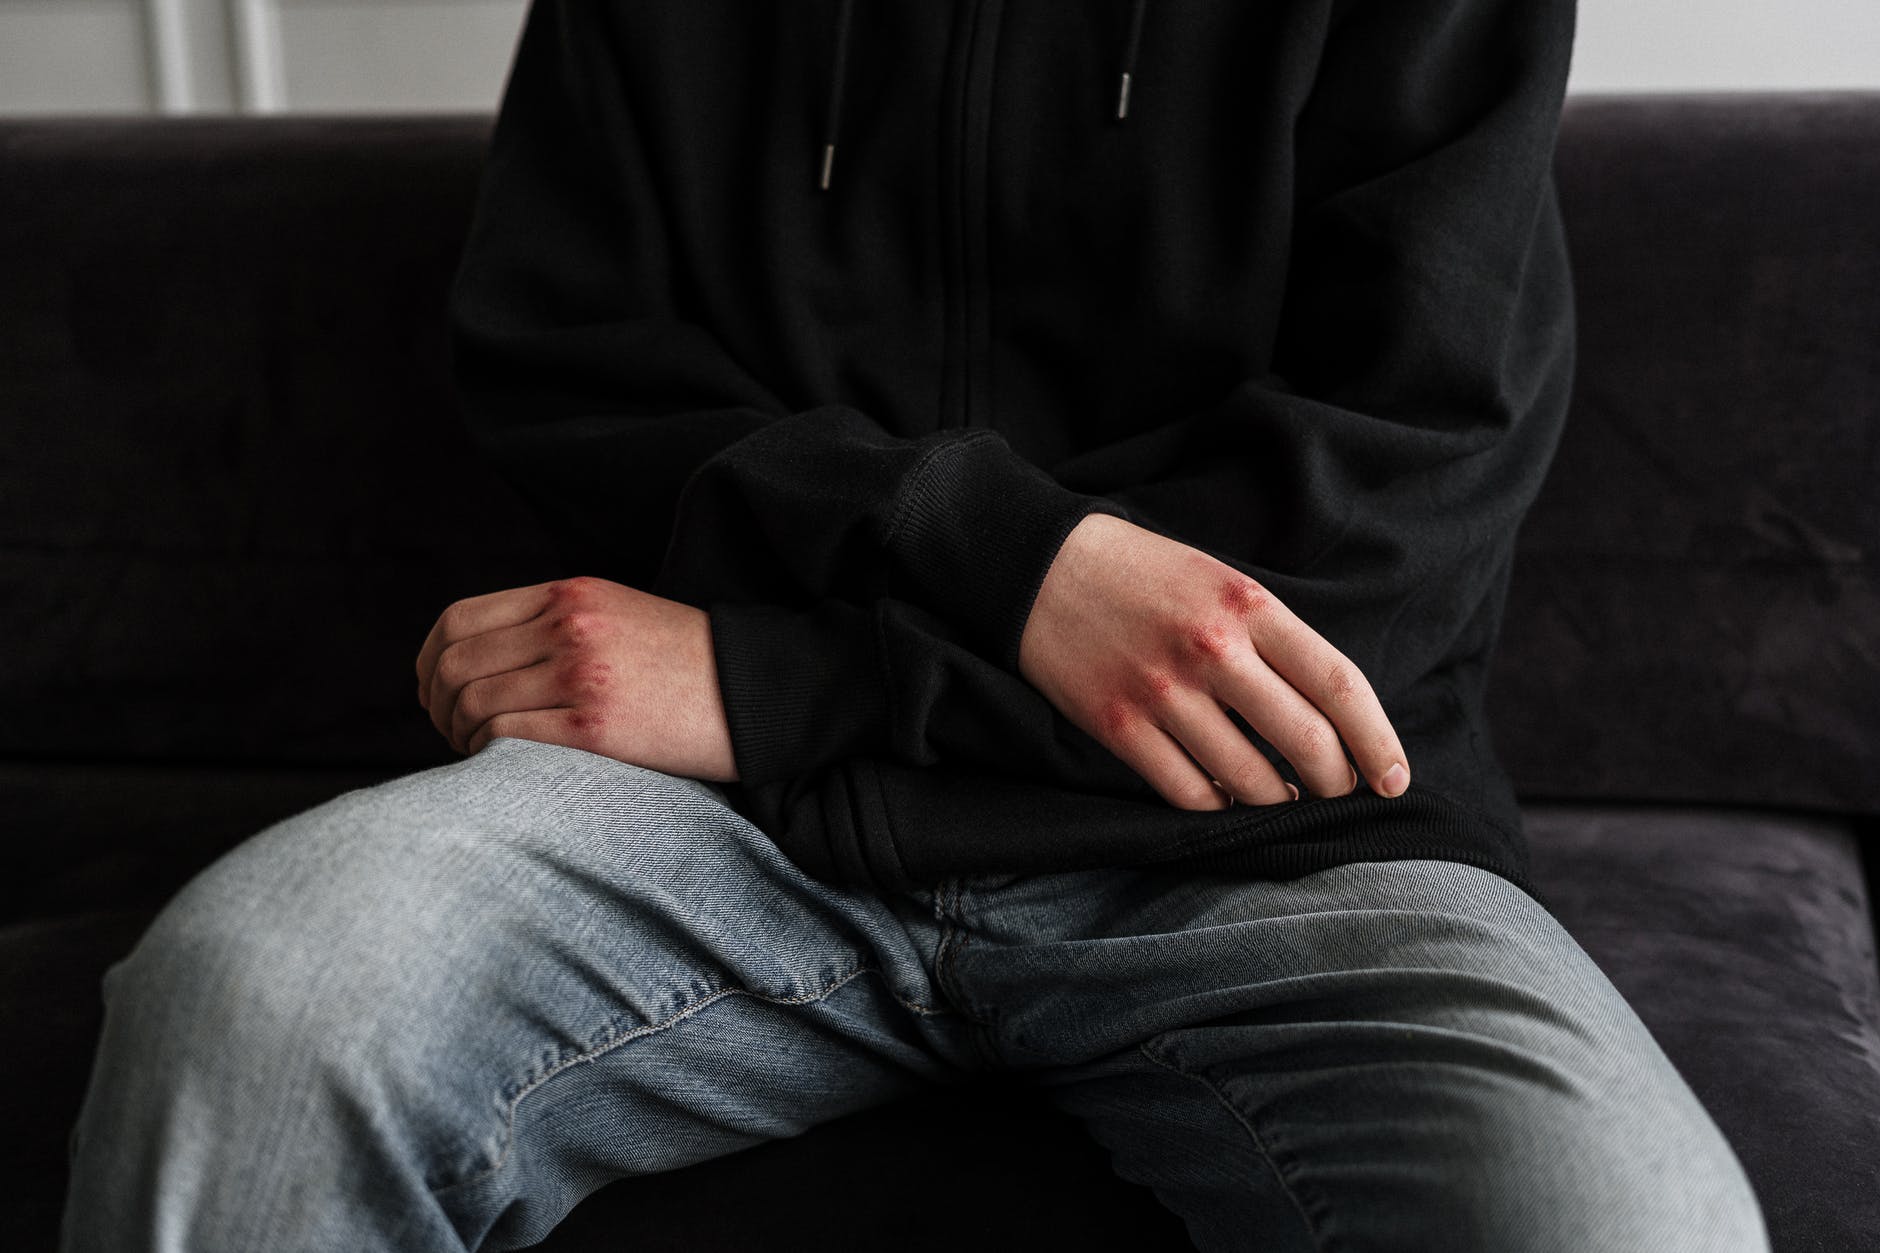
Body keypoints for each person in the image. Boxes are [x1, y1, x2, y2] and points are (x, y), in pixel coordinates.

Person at [60, 1, 1772, 1249]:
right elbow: (568, 374)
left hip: (1266, 847)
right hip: (723, 832)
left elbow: (1378, 551)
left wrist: (777, 679)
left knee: (1636, 1222)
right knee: (254, 1000)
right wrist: (1016, 565)